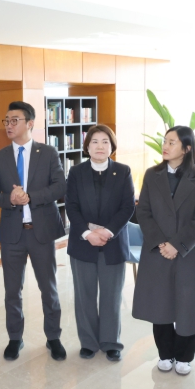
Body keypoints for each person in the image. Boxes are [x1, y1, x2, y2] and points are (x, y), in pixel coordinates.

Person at [0, 101, 67, 361]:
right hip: (12, 234)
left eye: (14, 120)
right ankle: (15, 338)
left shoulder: (48, 152)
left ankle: (53, 337)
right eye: (6, 121)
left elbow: (60, 187)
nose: (9, 125)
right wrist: (10, 199)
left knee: (48, 289)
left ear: (30, 123)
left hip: (41, 232)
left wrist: (30, 197)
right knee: (12, 291)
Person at [133, 126, 195, 376]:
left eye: (172, 142)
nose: (165, 146)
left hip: (188, 252)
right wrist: (161, 242)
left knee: (189, 304)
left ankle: (184, 357)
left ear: (187, 148)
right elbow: (143, 211)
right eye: (165, 141)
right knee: (161, 305)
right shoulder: (152, 174)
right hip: (157, 251)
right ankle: (165, 353)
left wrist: (177, 245)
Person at [65, 125, 134, 362]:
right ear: (87, 146)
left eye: (105, 141)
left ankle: (111, 343)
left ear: (112, 146)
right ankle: (88, 343)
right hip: (82, 243)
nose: (100, 146)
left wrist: (107, 231)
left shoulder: (123, 171)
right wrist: (87, 233)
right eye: (94, 141)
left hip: (113, 243)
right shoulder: (76, 172)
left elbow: (128, 206)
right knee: (84, 296)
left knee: (111, 296)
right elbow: (71, 207)